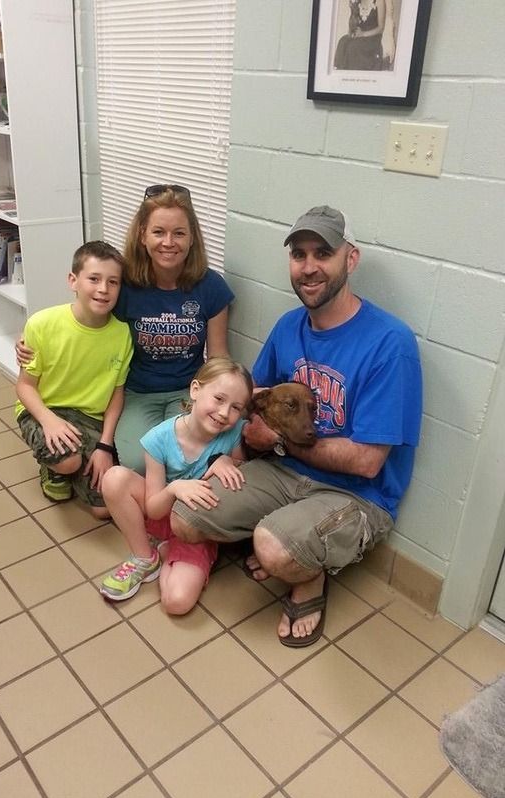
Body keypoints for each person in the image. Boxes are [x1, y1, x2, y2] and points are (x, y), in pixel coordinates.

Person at [171, 205, 423, 647]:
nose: (309, 267)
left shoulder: (389, 343)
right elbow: (253, 399)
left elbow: (366, 462)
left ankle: (308, 577)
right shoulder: (289, 326)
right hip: (282, 473)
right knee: (186, 517)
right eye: (298, 254)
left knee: (273, 547)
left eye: (323, 253)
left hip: (355, 494)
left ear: (351, 259)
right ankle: (282, 536)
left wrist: (279, 442)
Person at [16, 184, 234, 474]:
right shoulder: (125, 283)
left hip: (187, 390)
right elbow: (87, 315)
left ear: (192, 237)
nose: (168, 242)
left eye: (179, 233)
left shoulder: (211, 287)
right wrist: (32, 337)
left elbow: (218, 356)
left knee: (184, 456)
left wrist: (228, 398)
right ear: (143, 235)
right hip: (136, 392)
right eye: (158, 232)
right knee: (137, 462)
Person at [99, 357, 252, 615]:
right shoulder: (158, 438)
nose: (225, 413)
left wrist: (230, 461)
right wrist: (175, 488)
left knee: (176, 602)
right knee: (114, 478)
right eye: (219, 399)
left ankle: (171, 550)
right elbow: (154, 508)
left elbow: (242, 483)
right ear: (195, 390)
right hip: (163, 511)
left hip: (198, 526)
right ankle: (144, 557)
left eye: (236, 407)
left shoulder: (235, 432)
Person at [15, 240, 133, 518]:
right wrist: (48, 421)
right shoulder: (42, 324)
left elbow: (116, 395)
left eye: (113, 282)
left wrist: (104, 446)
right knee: (67, 460)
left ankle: (76, 463)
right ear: (73, 281)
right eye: (94, 279)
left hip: (91, 418)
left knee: (103, 509)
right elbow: (25, 386)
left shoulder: (123, 334)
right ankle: (56, 468)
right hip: (44, 409)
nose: (103, 289)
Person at [334, 0, 387, 71]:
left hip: (373, 38)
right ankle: (341, 72)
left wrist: (363, 34)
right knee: (342, 41)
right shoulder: (358, 2)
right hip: (360, 36)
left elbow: (381, 28)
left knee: (353, 47)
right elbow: (353, 25)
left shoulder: (380, 1)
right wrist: (353, 8)